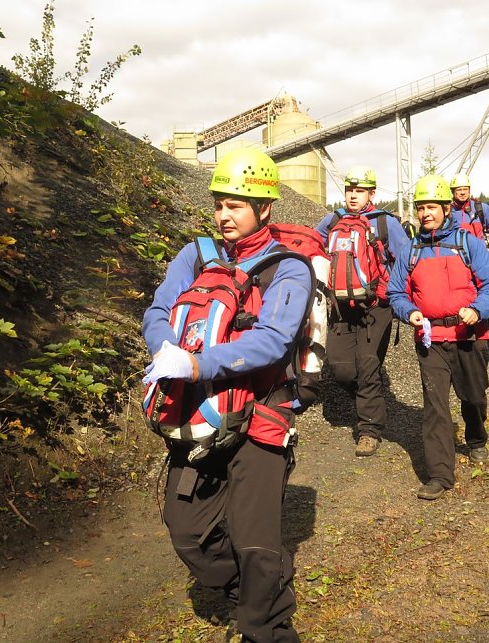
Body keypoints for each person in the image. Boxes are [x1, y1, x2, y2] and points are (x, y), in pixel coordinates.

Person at [142, 148, 311, 642]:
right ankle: (241, 590)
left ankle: (266, 628)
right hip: (198, 412)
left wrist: (199, 363)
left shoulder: (290, 267)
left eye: (236, 205)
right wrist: (167, 351)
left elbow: (275, 339)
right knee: (186, 531)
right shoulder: (194, 255)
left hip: (262, 415)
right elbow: (157, 310)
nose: (223, 214)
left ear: (265, 209)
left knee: (256, 541)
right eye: (219, 203)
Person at [388, 175, 489, 501]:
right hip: (430, 339)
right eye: (421, 208)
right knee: (436, 407)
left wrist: (478, 309)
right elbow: (396, 291)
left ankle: (477, 437)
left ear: (444, 208)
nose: (426, 213)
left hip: (470, 335)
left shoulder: (469, 243)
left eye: (432, 207)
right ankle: (440, 474)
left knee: (474, 396)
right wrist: (407, 311)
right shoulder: (410, 250)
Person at [315, 166, 410, 457]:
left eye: (360, 191)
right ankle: (370, 400)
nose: (353, 196)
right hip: (341, 306)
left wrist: (393, 296)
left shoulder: (384, 222)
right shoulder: (332, 221)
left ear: (371, 193)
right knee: (341, 368)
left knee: (367, 364)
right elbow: (313, 246)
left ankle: (369, 429)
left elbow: (405, 260)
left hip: (375, 307)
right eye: (349, 190)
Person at [449, 172, 489, 245]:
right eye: (459, 189)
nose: (463, 192)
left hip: (479, 253)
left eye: (465, 189)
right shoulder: (448, 212)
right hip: (457, 254)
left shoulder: (481, 208)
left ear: (469, 190)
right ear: (453, 191)